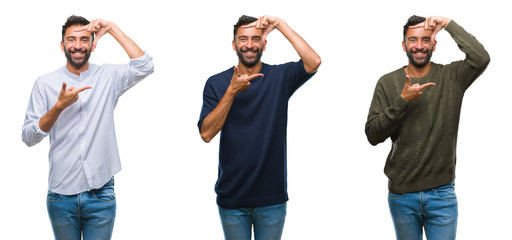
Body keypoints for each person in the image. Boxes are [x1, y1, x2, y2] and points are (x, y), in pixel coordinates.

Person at [22, 15, 154, 240]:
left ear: (93, 44)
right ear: (62, 45)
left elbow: (145, 65)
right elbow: (28, 136)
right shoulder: (45, 84)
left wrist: (112, 28)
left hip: (101, 194)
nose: (78, 46)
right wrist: (58, 107)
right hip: (61, 196)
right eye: (71, 40)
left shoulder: (107, 76)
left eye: (84, 39)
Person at [365, 15, 490, 239]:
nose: (419, 46)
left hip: (442, 193)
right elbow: (373, 135)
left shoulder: (452, 77)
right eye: (413, 40)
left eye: (425, 39)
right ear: (404, 45)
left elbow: (480, 58)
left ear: (434, 43)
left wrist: (448, 25)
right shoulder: (387, 82)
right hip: (402, 196)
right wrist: (403, 100)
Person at [198, 15, 321, 240]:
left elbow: (313, 62)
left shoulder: (279, 77)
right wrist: (232, 91)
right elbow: (206, 133)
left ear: (264, 44)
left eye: (256, 39)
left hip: (271, 199)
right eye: (243, 39)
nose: (249, 45)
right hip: (232, 198)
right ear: (234, 45)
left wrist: (281, 25)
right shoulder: (216, 83)